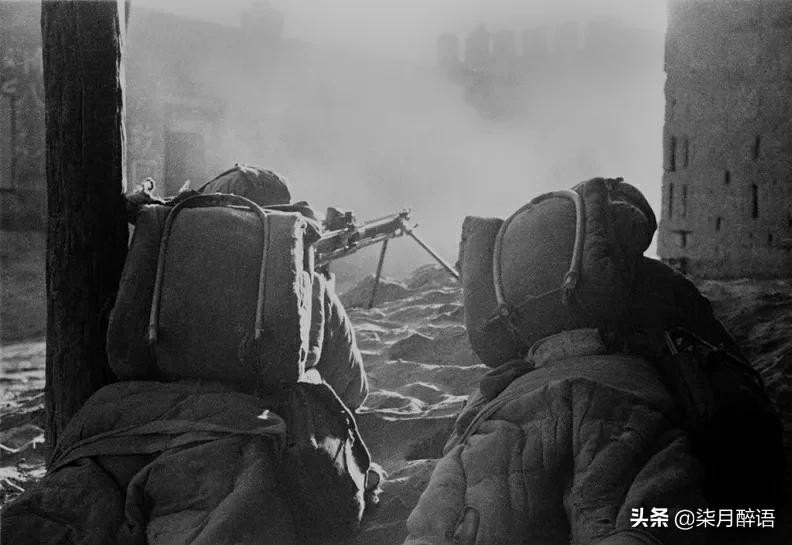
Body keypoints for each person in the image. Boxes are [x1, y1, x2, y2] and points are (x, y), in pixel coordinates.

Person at [1, 165, 373, 545]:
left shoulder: (160, 261)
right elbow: (352, 388)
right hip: (237, 441)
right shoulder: (300, 279)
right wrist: (319, 286)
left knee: (45, 521)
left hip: (115, 431)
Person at [402, 178, 772, 545]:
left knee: (449, 521)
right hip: (623, 410)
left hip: (507, 416)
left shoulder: (518, 310)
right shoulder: (655, 282)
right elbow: (721, 364)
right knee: (637, 524)